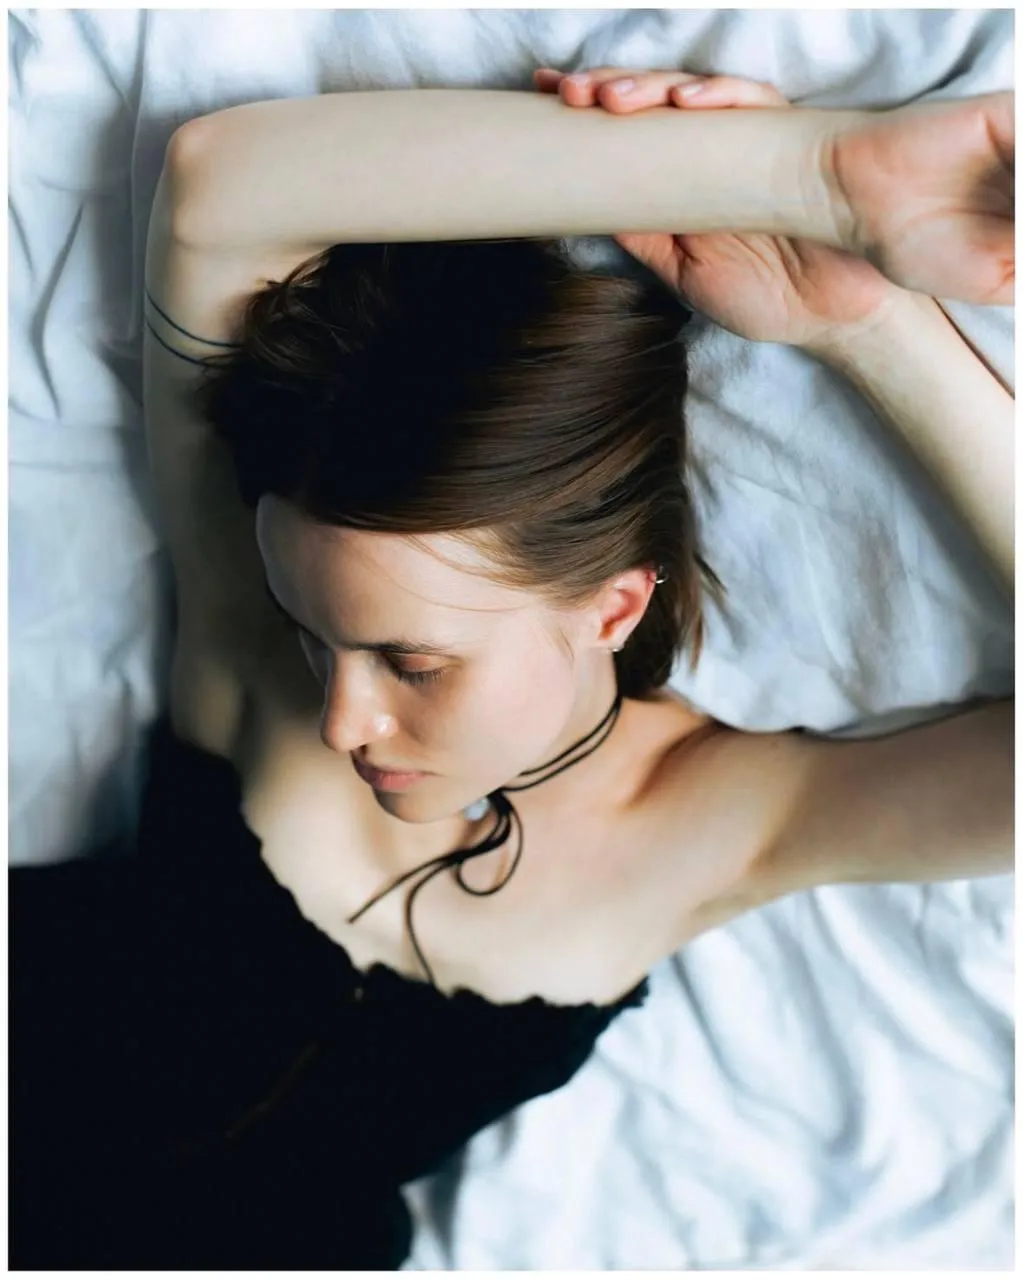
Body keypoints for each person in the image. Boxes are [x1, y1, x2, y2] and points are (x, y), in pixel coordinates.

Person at [10, 71, 1013, 1269]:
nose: (340, 718)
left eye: (413, 661)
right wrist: (813, 175)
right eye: (312, 633)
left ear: (613, 607)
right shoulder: (246, 617)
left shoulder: (718, 823)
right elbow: (218, 186)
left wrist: (868, 324)